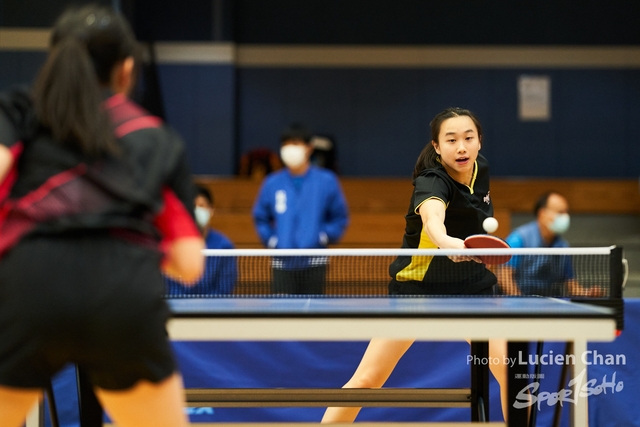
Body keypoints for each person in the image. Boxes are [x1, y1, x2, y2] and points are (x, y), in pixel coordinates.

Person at [0, 6, 204, 427]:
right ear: (126, 70)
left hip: (28, 289)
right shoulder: (156, 138)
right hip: (124, 297)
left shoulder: (18, 110)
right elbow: (189, 264)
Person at [321, 107, 508, 423]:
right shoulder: (431, 182)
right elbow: (433, 219)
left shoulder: (481, 169)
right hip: (417, 292)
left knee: (512, 371)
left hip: (471, 289)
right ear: (437, 147)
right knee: (367, 379)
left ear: (479, 142)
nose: (461, 147)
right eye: (450, 140)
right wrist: (448, 243)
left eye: (468, 138)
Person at [252, 123, 349, 294]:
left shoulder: (327, 181)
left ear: (309, 148)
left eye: (296, 144)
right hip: (282, 264)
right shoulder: (272, 183)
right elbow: (260, 217)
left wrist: (324, 236)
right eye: (286, 144)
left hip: (315, 263)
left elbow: (340, 217)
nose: (290, 149)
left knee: (313, 316)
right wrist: (272, 240)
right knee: (282, 317)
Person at [496, 191, 602, 296]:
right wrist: (523, 304)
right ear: (542, 214)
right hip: (519, 302)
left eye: (566, 212)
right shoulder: (519, 239)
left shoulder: (562, 246)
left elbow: (571, 285)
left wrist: (587, 293)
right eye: (560, 212)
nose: (565, 217)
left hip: (550, 303)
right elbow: (504, 278)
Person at [165, 185, 237, 296]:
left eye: (202, 206)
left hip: (211, 310)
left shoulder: (224, 246)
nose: (197, 210)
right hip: (176, 310)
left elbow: (223, 288)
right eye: (193, 206)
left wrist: (202, 308)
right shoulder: (171, 243)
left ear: (211, 209)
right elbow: (169, 284)